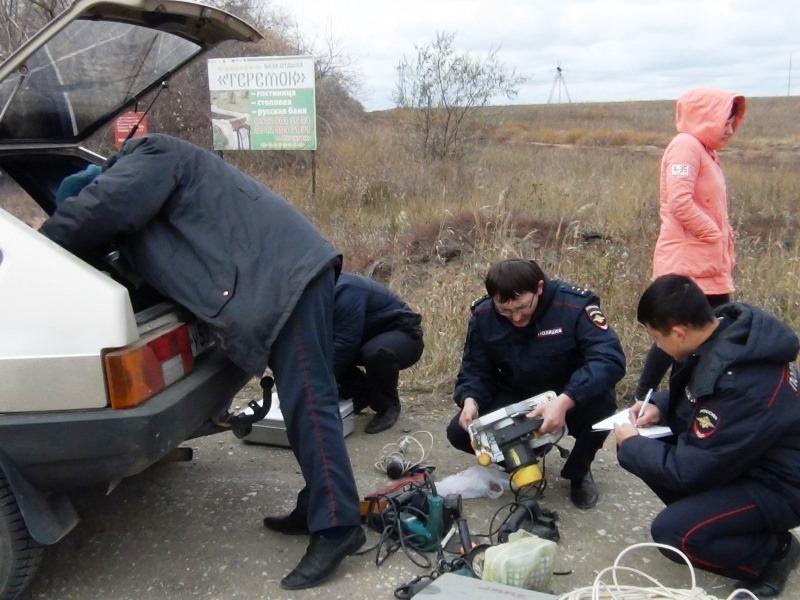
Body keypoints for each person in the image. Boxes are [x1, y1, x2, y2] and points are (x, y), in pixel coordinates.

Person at [40, 134, 364, 590]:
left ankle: (338, 528)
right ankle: (322, 505)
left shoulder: (150, 155)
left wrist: (43, 248)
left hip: (284, 279)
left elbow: (100, 210)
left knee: (311, 404)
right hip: (279, 278)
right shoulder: (153, 198)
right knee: (304, 403)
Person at [616, 275, 800, 597]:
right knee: (646, 446)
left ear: (679, 332)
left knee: (673, 534)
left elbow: (689, 471)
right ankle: (719, 520)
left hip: (783, 485)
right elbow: (702, 399)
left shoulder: (742, 382)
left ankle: (772, 553)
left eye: (657, 339)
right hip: (753, 459)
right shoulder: (727, 333)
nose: (657, 347)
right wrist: (659, 406)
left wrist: (631, 444)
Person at [447, 259, 626, 509]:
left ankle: (579, 471)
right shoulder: (484, 315)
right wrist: (470, 399)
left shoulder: (573, 306)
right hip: (518, 392)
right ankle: (523, 455)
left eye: (523, 307)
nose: (517, 318)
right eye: (506, 311)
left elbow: (609, 359)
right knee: (460, 432)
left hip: (570, 392)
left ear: (539, 288)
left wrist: (565, 400)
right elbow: (475, 368)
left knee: (602, 406)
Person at [635, 89, 746, 402]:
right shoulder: (685, 146)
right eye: (726, 119)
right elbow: (679, 201)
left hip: (708, 266)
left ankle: (691, 400)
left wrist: (721, 234)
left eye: (734, 121)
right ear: (707, 116)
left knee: (709, 335)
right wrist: (713, 233)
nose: (730, 128)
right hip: (687, 265)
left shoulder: (705, 151)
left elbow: (706, 203)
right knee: (674, 333)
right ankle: (642, 399)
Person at [333, 272, 424, 434]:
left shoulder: (346, 290)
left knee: (375, 352)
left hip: (404, 337)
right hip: (365, 338)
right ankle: (360, 392)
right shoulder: (320, 295)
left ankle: (388, 406)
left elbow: (345, 344)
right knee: (328, 350)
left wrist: (318, 381)